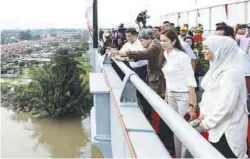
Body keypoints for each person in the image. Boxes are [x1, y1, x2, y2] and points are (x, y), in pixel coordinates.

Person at [198, 36, 249, 158]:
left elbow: (227, 106)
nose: (203, 51)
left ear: (219, 50)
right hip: (217, 127)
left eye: (206, 48)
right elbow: (210, 94)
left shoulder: (231, 73)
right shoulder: (216, 69)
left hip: (227, 130)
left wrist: (208, 123)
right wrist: (204, 112)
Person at [160, 28, 197, 158]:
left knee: (184, 132)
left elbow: (190, 81)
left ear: (174, 41)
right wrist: (166, 97)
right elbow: (167, 79)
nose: (162, 43)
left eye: (165, 41)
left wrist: (192, 105)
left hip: (184, 96)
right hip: (171, 95)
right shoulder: (165, 54)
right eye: (161, 41)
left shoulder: (183, 57)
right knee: (175, 130)